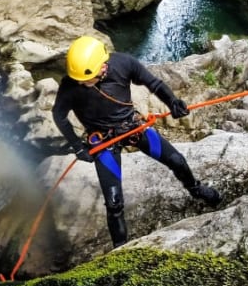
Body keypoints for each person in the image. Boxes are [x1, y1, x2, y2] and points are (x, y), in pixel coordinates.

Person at [51, 34, 221, 248]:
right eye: (79, 80)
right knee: (114, 204)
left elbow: (154, 83)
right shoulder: (70, 85)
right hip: (103, 140)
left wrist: (173, 102)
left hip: (132, 126)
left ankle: (196, 189)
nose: (81, 83)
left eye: (86, 79)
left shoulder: (123, 63)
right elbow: (59, 115)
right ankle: (120, 249)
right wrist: (77, 146)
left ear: (102, 66)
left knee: (176, 160)